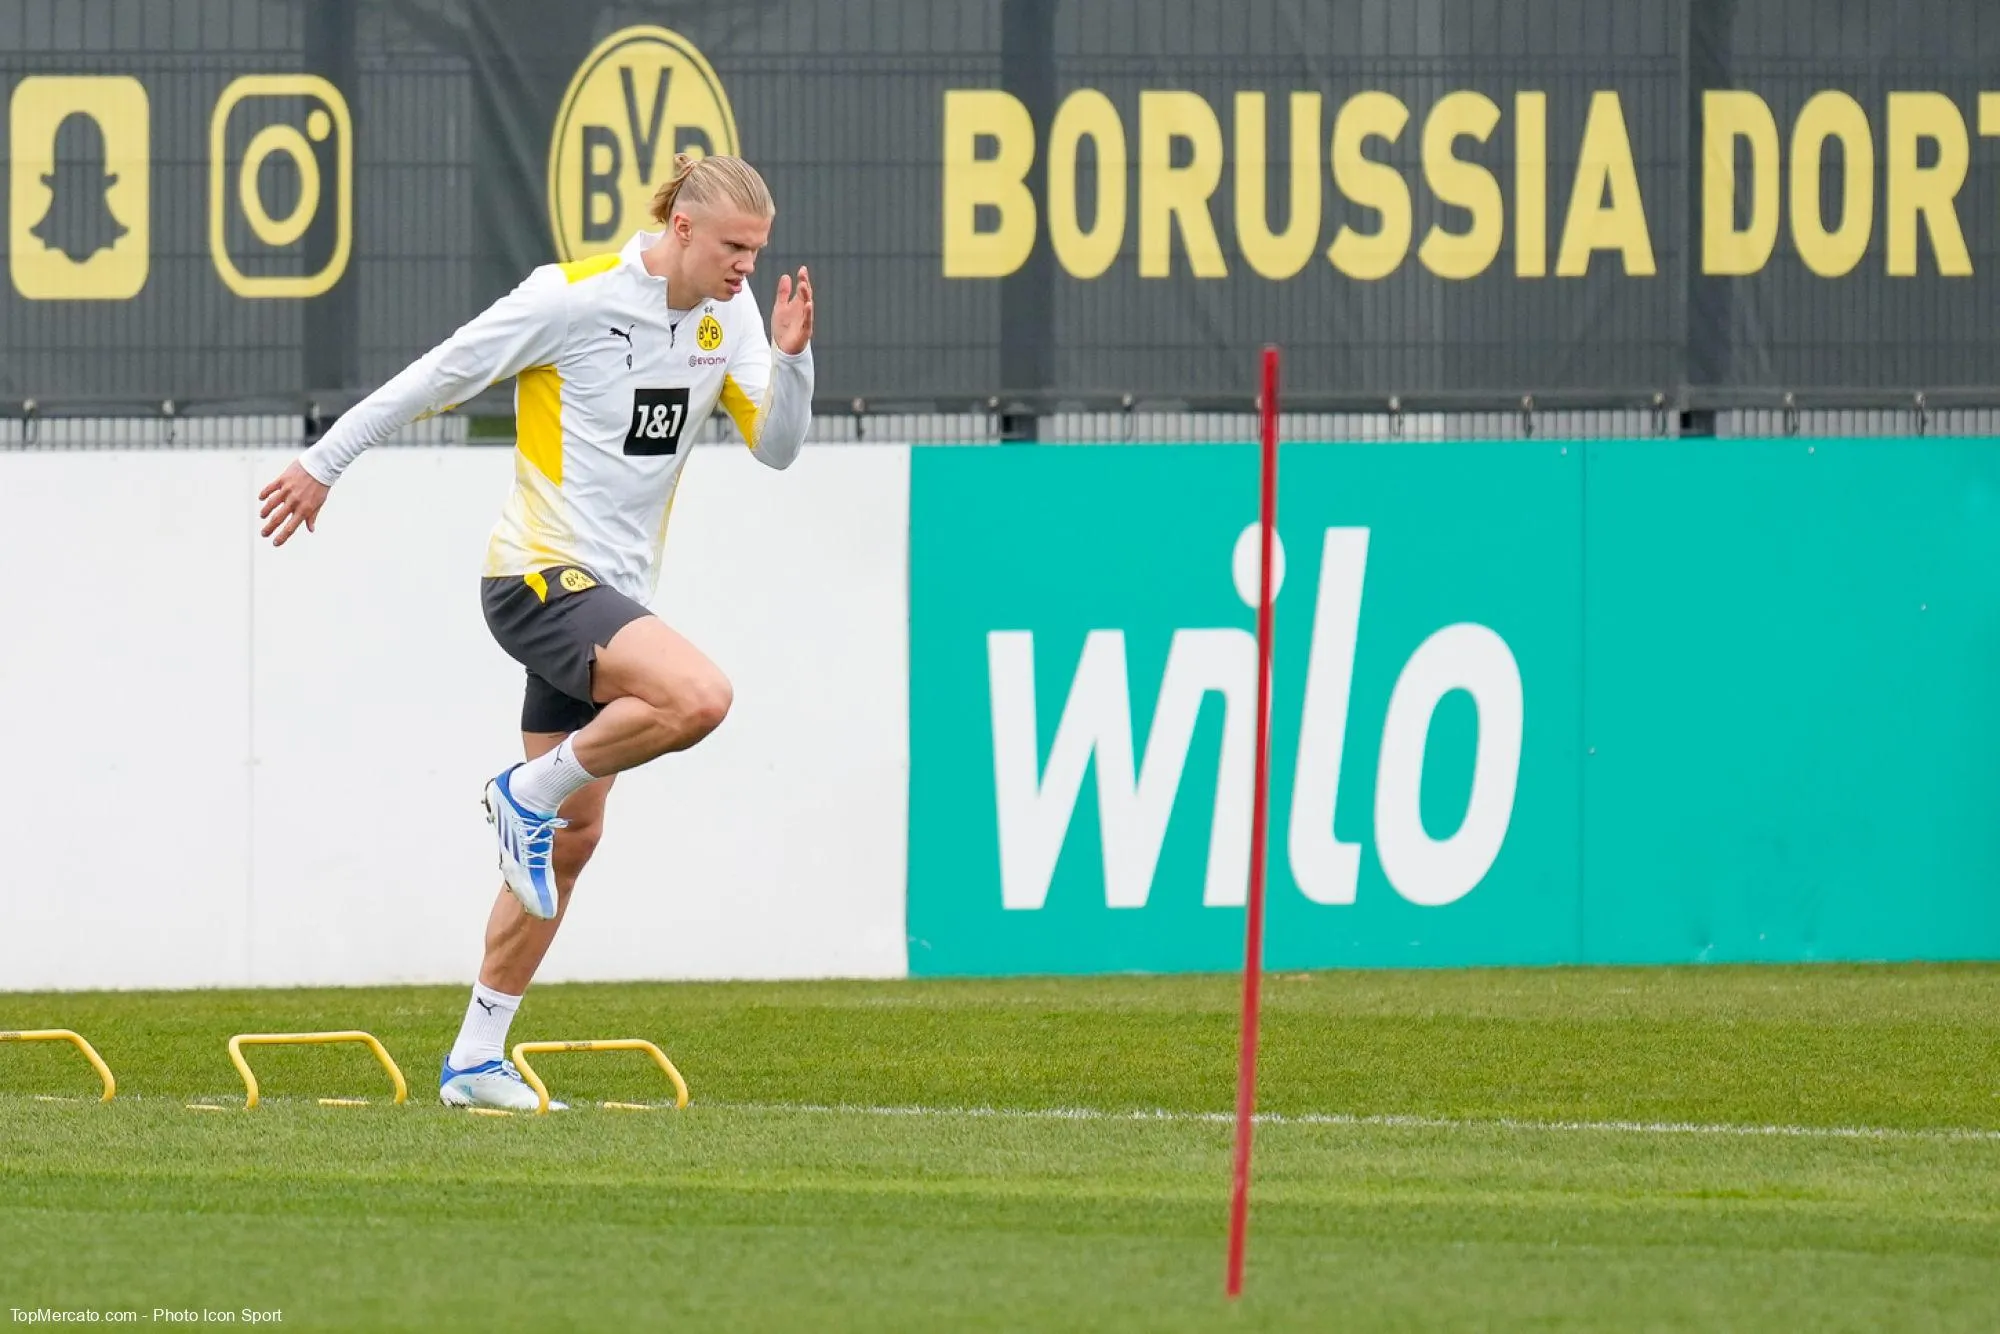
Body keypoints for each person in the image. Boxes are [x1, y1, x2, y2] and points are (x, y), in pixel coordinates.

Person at [255, 154, 814, 1111]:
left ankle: (475, 1057)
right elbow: (439, 374)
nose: (745, 269)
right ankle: (527, 790)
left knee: (569, 841)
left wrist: (794, 360)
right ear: (681, 226)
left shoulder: (735, 316)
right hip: (535, 579)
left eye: (757, 253)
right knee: (698, 697)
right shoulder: (569, 299)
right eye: (732, 247)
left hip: (611, 598)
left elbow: (777, 449)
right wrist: (322, 463)